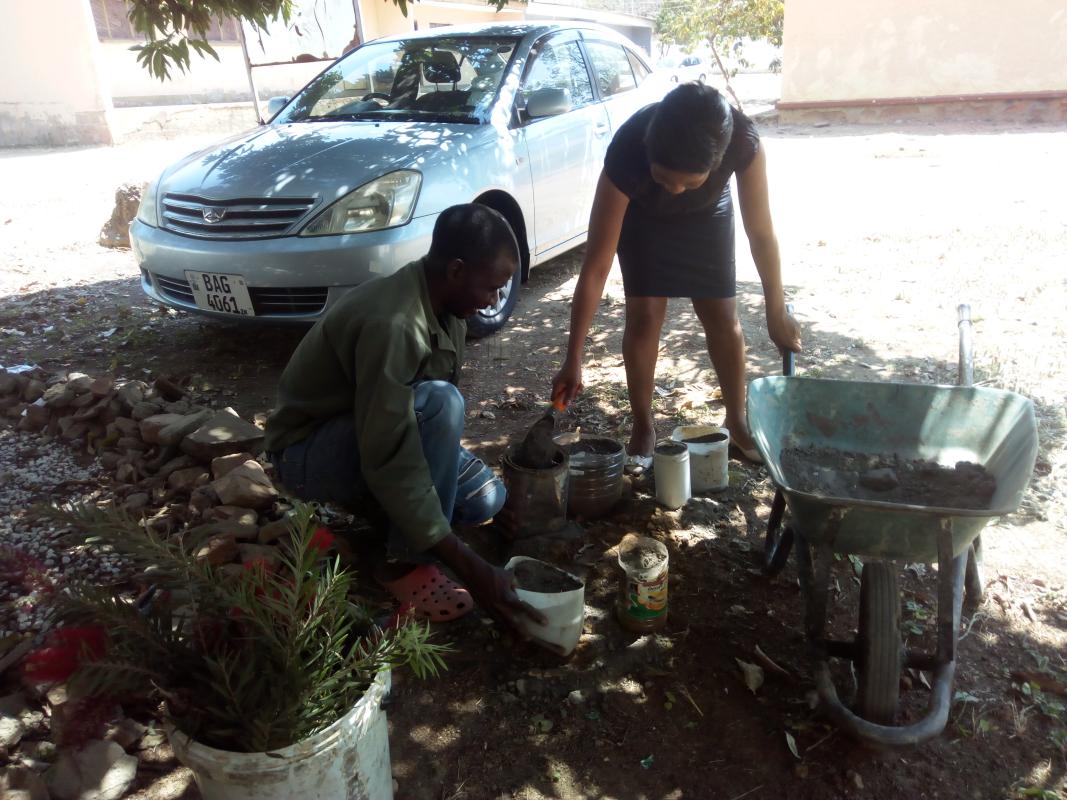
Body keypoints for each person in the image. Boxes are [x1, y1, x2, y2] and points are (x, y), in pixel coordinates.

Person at [265, 203, 544, 636]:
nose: (494, 300)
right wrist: (469, 565)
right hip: (309, 454)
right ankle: (400, 563)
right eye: (492, 287)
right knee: (442, 403)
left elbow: (411, 428)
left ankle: (389, 517)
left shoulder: (447, 307)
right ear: (456, 270)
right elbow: (392, 446)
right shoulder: (394, 324)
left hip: (373, 431)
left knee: (488, 500)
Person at [552, 83, 802, 470]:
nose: (676, 190)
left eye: (689, 181)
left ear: (716, 161)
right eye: (666, 177)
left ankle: (737, 422)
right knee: (645, 317)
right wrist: (574, 356)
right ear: (650, 152)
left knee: (722, 315)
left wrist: (776, 311)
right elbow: (597, 264)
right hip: (642, 217)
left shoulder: (743, 142)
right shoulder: (627, 150)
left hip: (707, 216)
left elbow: (762, 234)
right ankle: (643, 425)